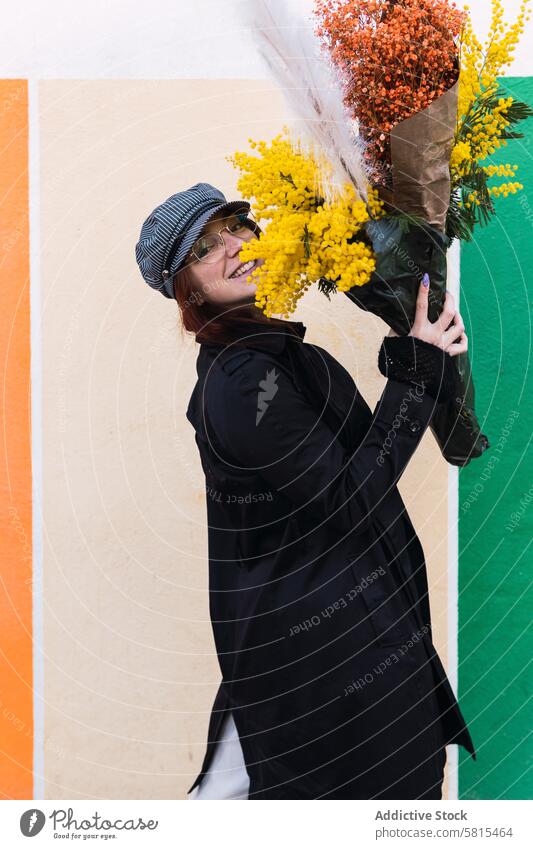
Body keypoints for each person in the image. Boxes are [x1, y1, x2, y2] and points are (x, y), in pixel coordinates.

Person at [135, 182, 476, 800]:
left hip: (337, 651)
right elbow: (349, 497)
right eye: (207, 247)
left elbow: (336, 479)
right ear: (186, 291)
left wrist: (411, 354)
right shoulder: (244, 381)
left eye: (238, 225)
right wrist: (418, 369)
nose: (235, 244)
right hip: (333, 669)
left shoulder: (271, 357)